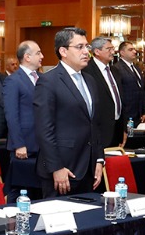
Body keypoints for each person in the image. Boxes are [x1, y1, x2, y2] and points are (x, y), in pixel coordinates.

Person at [35, 27, 106, 196]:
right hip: (62, 169)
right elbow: (44, 129)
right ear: (63, 51)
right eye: (79, 47)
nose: (86, 52)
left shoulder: (90, 80)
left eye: (87, 47)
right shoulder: (48, 81)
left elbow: (95, 124)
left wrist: (99, 159)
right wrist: (56, 167)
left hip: (89, 168)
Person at [3, 41, 43, 199]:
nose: (42, 56)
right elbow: (11, 115)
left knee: (38, 190)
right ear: (27, 57)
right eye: (38, 53)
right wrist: (19, 144)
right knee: (20, 191)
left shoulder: (42, 78)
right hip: (24, 145)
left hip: (41, 144)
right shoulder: (13, 80)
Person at [87, 35, 125, 148]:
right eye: (109, 49)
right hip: (99, 130)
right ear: (97, 51)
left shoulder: (115, 70)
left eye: (113, 48)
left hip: (117, 129)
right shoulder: (87, 71)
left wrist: (123, 129)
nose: (113, 52)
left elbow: (120, 98)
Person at [114, 40, 145, 124]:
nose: (134, 52)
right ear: (122, 53)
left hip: (139, 114)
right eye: (130, 50)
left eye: (134, 49)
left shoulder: (136, 68)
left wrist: (144, 111)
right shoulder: (117, 68)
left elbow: (141, 90)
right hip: (126, 114)